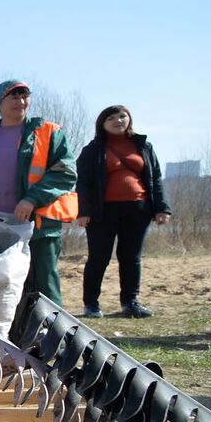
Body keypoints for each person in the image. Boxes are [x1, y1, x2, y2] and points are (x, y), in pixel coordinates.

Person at [0, 80, 78, 305]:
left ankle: (50, 337)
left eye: (25, 96)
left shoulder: (48, 132)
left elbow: (64, 172)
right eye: (14, 97)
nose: (21, 102)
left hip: (37, 227)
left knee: (43, 289)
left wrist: (32, 199)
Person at [75, 105, 172, 319]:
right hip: (103, 211)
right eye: (112, 118)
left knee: (131, 257)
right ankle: (91, 304)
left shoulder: (143, 145)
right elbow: (83, 183)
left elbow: (155, 178)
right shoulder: (93, 149)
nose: (118, 120)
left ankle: (130, 302)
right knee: (99, 257)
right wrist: (83, 211)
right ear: (102, 123)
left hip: (138, 209)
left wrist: (162, 208)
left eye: (122, 116)